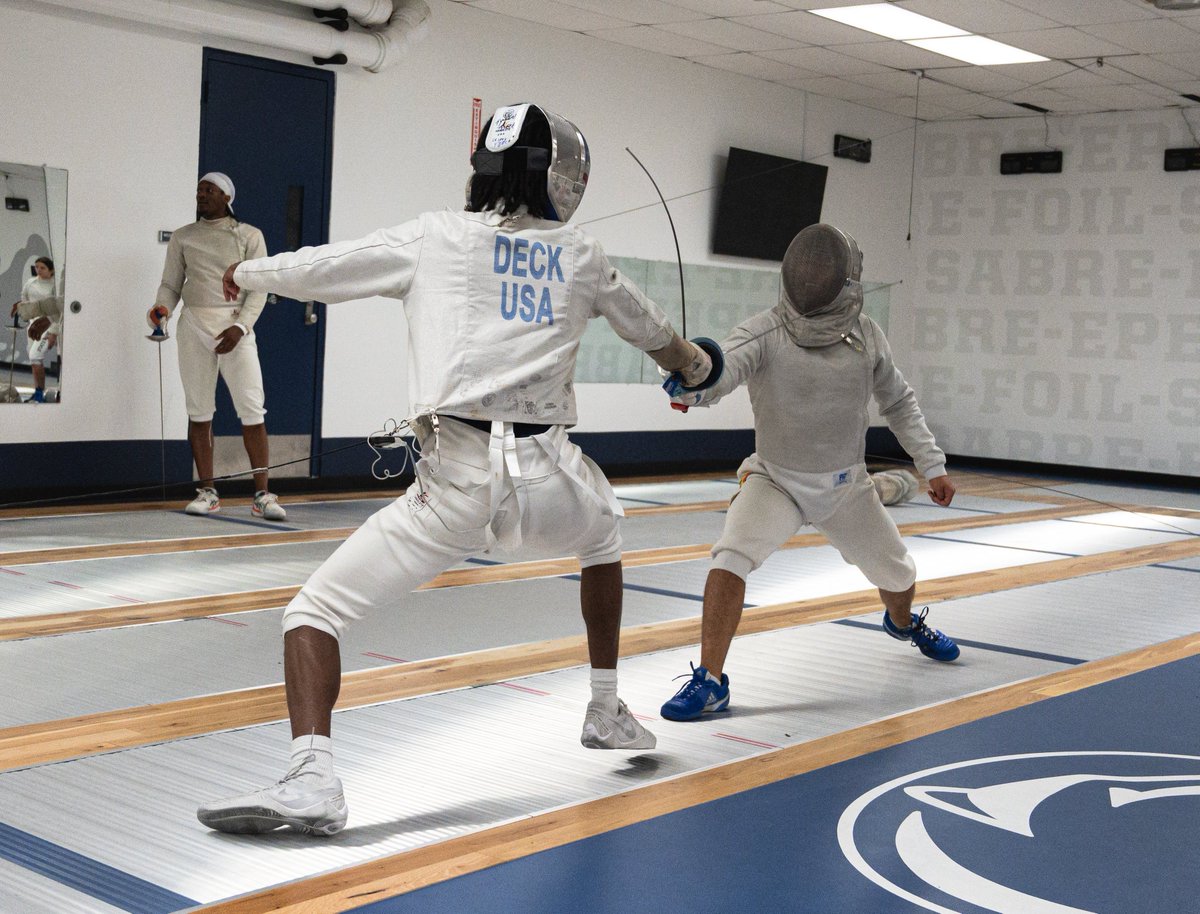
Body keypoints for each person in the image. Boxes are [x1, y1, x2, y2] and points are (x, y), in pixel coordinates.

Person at [196, 103, 717, 836]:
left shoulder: (434, 235)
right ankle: (605, 708)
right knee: (605, 534)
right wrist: (698, 369)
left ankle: (315, 778)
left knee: (313, 612)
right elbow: (662, 338)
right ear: (563, 179)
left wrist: (247, 269)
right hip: (549, 480)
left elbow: (329, 267)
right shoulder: (584, 255)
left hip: (452, 487)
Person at [659, 223, 959, 723]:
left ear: (843, 279)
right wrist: (693, 382)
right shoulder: (765, 331)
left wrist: (932, 466)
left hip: (847, 487)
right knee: (730, 556)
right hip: (775, 480)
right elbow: (722, 366)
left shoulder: (868, 336)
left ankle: (904, 623)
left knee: (899, 575)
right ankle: (711, 680)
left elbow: (899, 402)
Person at [147, 172, 286, 520]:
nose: (201, 194)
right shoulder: (183, 237)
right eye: (199, 190)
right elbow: (171, 284)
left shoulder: (249, 235)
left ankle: (263, 494)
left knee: (253, 409)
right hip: (194, 324)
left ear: (226, 197)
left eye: (209, 190)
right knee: (199, 411)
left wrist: (241, 326)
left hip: (235, 325)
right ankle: (207, 491)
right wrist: (162, 308)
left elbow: (259, 287)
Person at [9, 257, 60, 403]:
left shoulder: (55, 286)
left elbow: (58, 309)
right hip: (33, 326)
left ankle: (41, 393)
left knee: (35, 356)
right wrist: (22, 309)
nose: (38, 270)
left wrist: (54, 332)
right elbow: (24, 298)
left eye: (43, 267)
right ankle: (38, 392)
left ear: (51, 270)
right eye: (37, 267)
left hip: (49, 326)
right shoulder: (30, 282)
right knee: (34, 360)